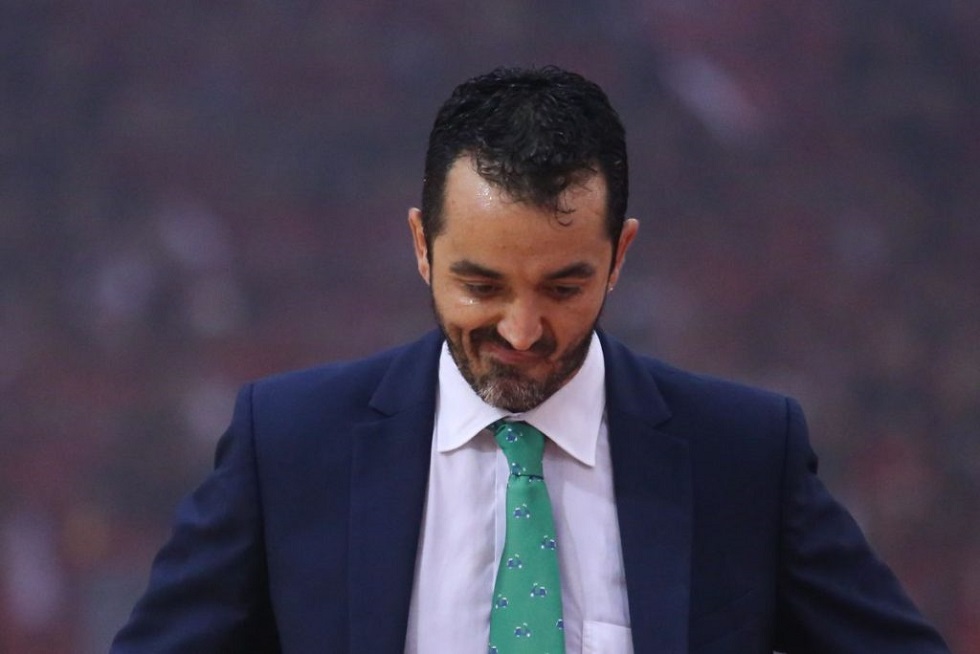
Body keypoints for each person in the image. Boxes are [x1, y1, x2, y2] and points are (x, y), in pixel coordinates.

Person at [111, 66, 949, 653]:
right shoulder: (290, 444)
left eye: (563, 286)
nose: (520, 330)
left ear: (620, 256)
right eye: (480, 285)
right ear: (421, 246)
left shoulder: (745, 456)